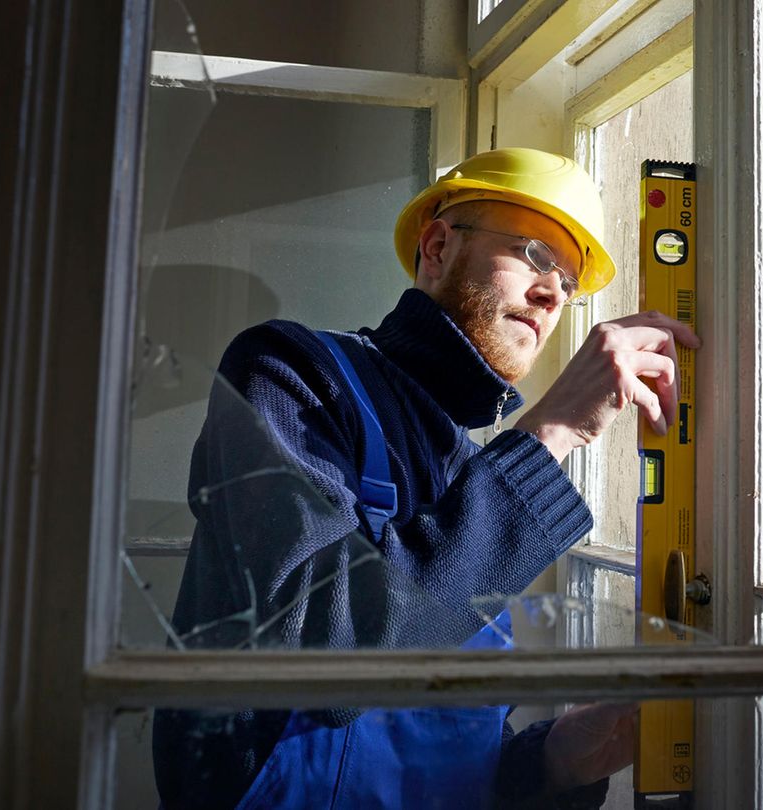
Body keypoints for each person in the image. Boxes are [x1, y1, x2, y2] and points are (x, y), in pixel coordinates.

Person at [152, 147, 699, 809]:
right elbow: (329, 654)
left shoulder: (476, 473)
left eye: (570, 281)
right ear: (437, 245)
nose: (555, 292)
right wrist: (551, 433)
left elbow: (445, 761)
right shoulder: (290, 375)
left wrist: (552, 761)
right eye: (534, 253)